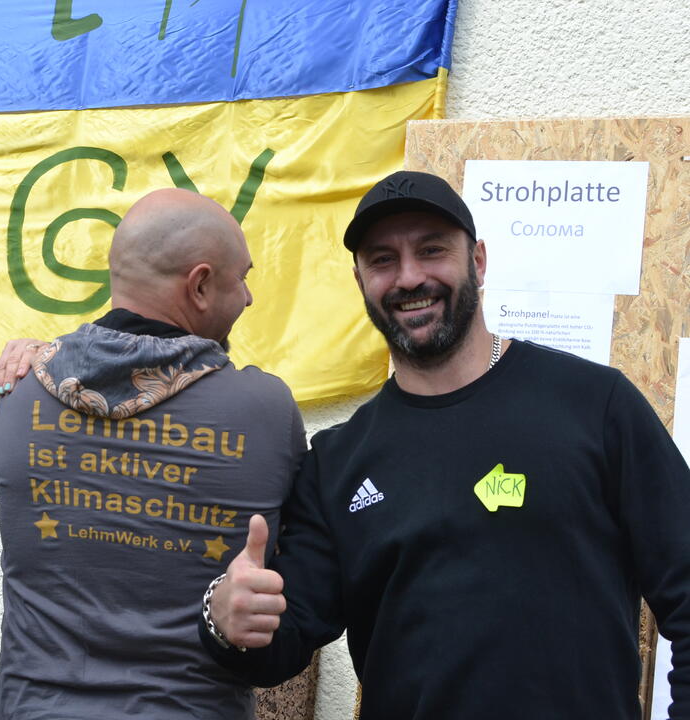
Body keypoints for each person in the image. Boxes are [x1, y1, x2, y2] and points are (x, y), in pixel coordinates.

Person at [201, 171, 690, 718]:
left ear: (477, 261)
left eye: (432, 250)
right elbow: (282, 643)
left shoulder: (595, 405)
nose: (410, 277)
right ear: (360, 280)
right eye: (383, 260)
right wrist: (225, 618)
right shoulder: (338, 462)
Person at [0, 188, 306, 719]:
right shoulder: (265, 410)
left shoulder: (21, 391)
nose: (249, 298)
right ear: (199, 285)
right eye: (242, 278)